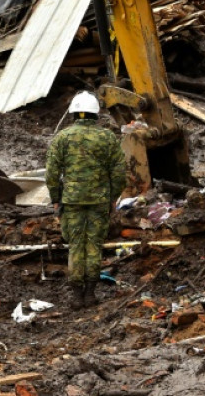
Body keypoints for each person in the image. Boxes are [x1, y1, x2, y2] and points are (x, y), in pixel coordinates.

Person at [46, 91, 126, 309]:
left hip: (71, 201)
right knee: (93, 246)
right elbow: (119, 172)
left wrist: (55, 198)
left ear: (73, 113)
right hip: (99, 201)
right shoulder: (107, 137)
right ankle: (90, 294)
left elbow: (52, 173)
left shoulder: (62, 138)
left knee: (75, 246)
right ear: (95, 114)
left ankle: (76, 296)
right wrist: (112, 198)